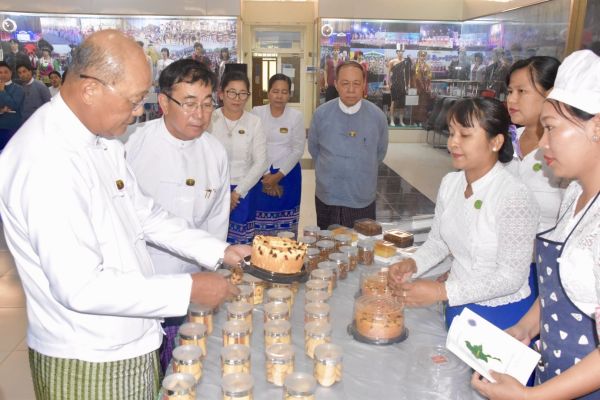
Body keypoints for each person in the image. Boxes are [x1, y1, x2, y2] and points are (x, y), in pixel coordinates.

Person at [0, 30, 248, 399]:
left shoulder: (101, 141)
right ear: (90, 89)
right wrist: (188, 288)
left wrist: (219, 251)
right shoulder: (47, 160)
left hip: (130, 338)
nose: (137, 112)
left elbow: (144, 214)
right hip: (88, 358)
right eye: (133, 101)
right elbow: (81, 287)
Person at [472, 50, 600, 400]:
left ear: (596, 126)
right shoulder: (576, 193)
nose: (542, 143)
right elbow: (566, 285)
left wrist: (529, 397)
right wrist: (526, 328)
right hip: (555, 375)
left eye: (552, 128)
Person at [388, 97, 540, 330]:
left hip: (500, 315)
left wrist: (441, 291)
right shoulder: (450, 183)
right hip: (456, 303)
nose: (453, 143)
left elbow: (511, 277)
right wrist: (413, 263)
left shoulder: (514, 196)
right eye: (451, 133)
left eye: (465, 135)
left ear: (496, 142)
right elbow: (438, 242)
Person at [126, 58, 230, 373]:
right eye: (189, 103)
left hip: (192, 282)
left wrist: (213, 270)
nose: (200, 114)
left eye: (207, 104)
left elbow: (216, 222)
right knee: (146, 371)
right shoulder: (132, 144)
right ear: (163, 102)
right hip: (141, 284)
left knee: (186, 371)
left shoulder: (215, 152)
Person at [308, 60, 388, 229]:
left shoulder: (377, 117)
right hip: (327, 197)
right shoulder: (321, 114)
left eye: (356, 83)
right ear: (336, 84)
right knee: (327, 241)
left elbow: (380, 153)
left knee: (361, 242)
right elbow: (314, 150)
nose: (351, 89)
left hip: (362, 198)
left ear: (364, 84)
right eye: (345, 83)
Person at [506, 56, 563, 233]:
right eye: (510, 91)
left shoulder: (565, 151)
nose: (511, 99)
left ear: (551, 94)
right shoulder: (505, 140)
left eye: (521, 91)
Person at [211, 71, 268, 244]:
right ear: (221, 94)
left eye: (243, 93)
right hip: (213, 190)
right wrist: (221, 193)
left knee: (242, 246)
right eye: (232, 92)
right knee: (213, 241)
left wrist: (236, 194)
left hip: (244, 190)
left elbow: (261, 162)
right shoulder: (209, 119)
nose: (237, 98)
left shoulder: (254, 122)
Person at [252, 73, 305, 236]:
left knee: (286, 223)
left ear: (289, 94)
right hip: (261, 173)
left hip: (288, 174)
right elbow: (254, 146)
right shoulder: (257, 112)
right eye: (275, 91)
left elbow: (298, 149)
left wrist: (278, 176)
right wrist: (267, 175)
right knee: (260, 218)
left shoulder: (296, 116)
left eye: (284, 92)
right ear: (269, 92)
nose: (279, 96)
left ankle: (287, 251)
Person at [0, 61, 24, 151]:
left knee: (10, 154)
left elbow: (14, 105)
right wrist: (1, 110)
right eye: (0, 72)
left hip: (12, 128)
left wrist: (2, 91)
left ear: (11, 73)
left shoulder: (18, 89)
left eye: (6, 72)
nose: (3, 75)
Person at [389, 49, 411, 127]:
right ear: (396, 52)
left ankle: (401, 121)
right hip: (395, 84)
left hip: (402, 84)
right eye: (399, 51)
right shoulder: (392, 61)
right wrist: (389, 84)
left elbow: (407, 74)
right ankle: (392, 120)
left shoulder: (405, 62)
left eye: (402, 51)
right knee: (393, 102)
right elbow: (389, 73)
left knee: (402, 103)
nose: (400, 53)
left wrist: (408, 84)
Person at [411, 50, 432, 125]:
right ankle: (414, 121)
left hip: (424, 88)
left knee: (423, 104)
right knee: (415, 104)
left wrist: (428, 86)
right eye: (421, 56)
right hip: (416, 87)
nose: (422, 57)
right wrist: (414, 86)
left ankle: (421, 120)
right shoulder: (415, 65)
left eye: (424, 56)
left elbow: (429, 77)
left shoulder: (427, 66)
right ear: (418, 56)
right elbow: (412, 76)